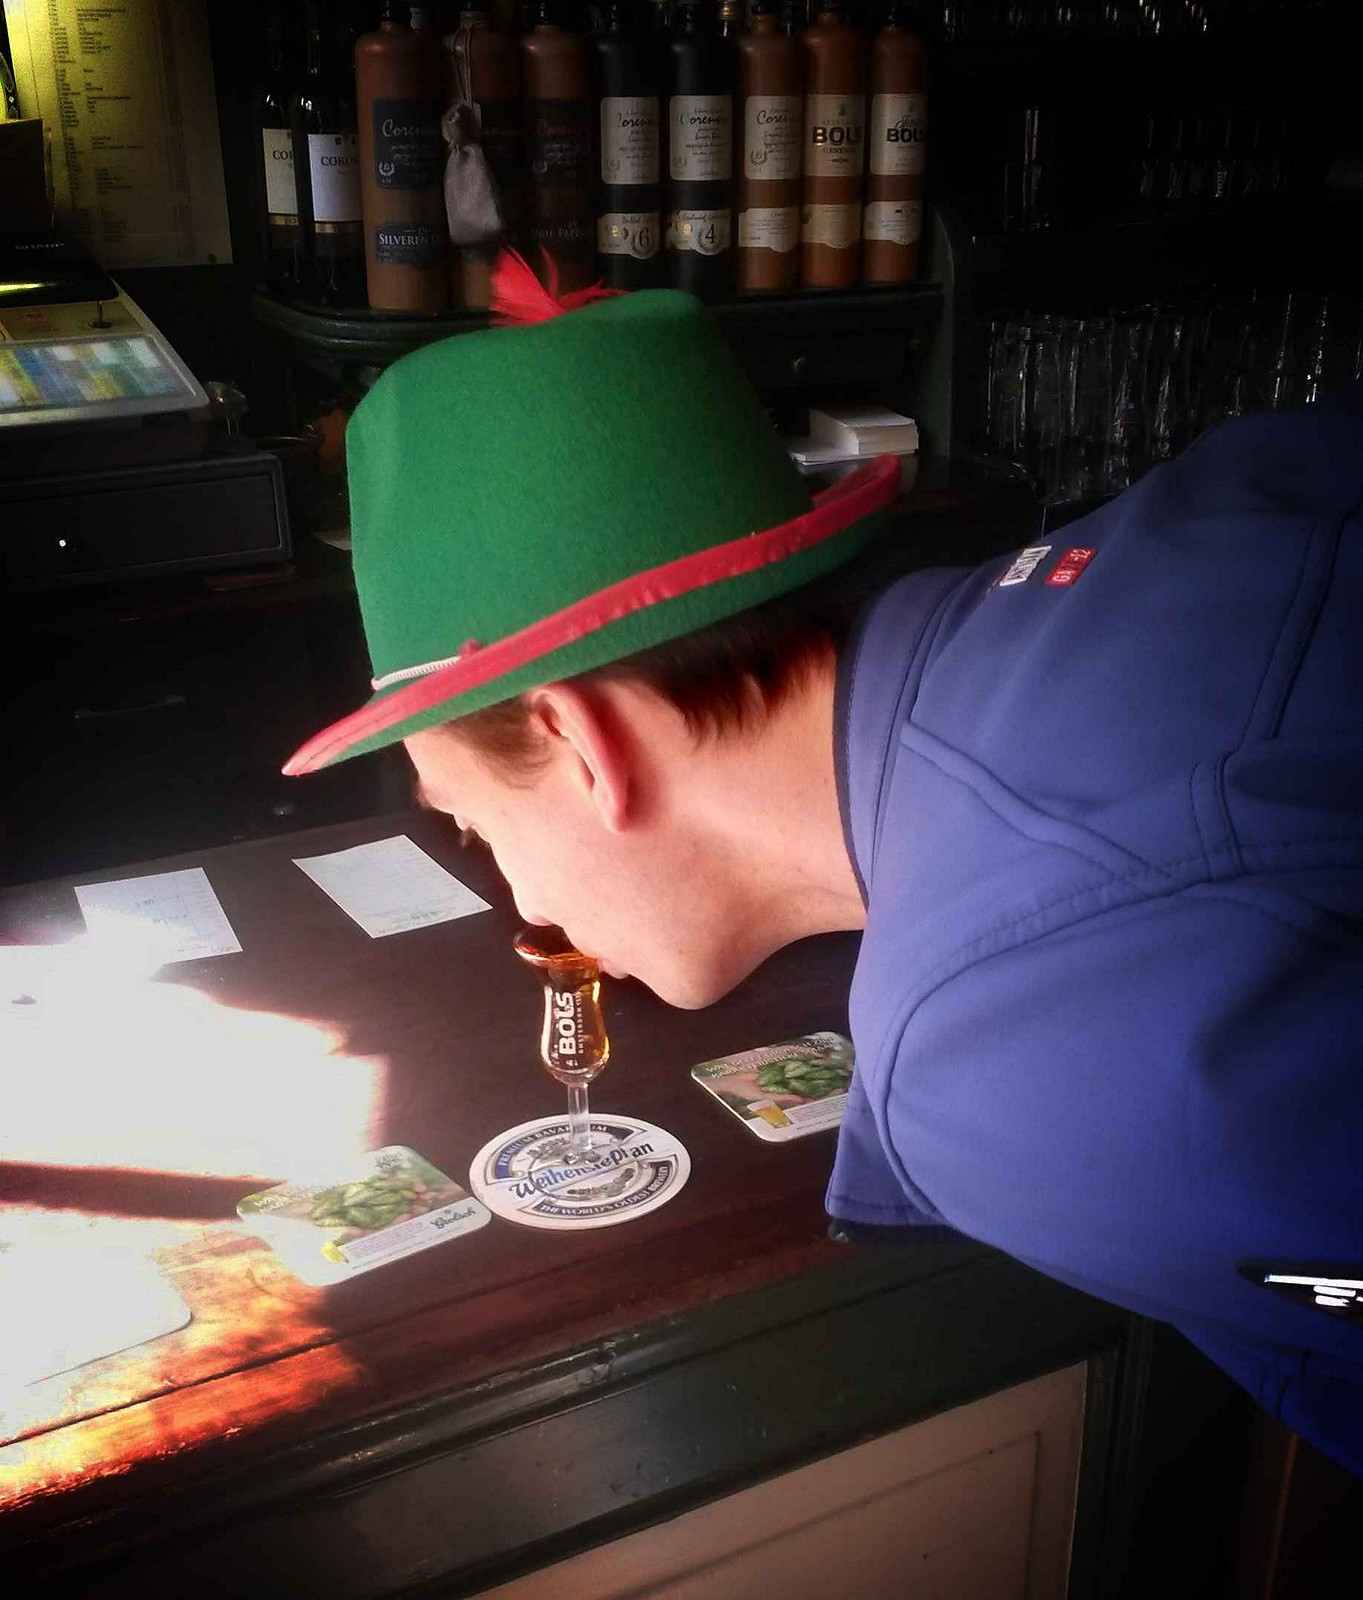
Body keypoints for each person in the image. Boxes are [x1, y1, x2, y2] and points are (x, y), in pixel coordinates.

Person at [285, 252, 1363, 1478]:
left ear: (579, 743)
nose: (525, 907)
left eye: (476, 828)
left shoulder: (1002, 1054)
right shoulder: (1205, 499)